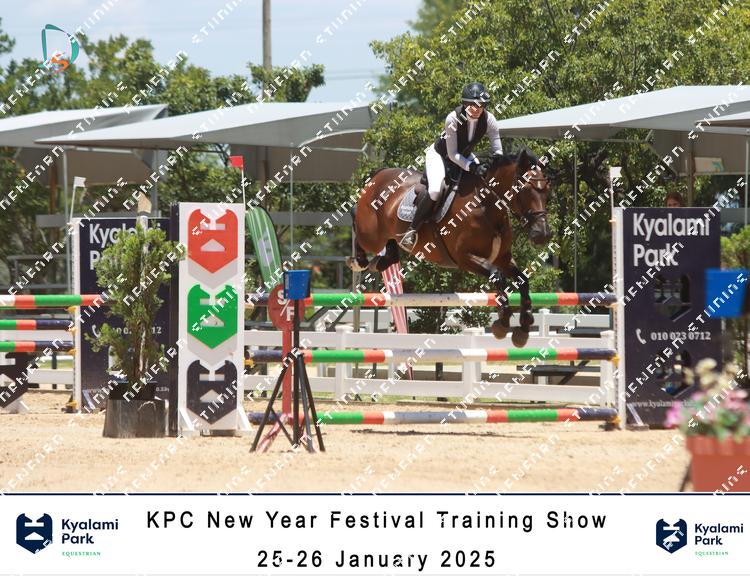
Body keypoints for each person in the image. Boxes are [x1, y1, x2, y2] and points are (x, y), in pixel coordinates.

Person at [399, 81, 504, 248]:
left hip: (464, 155)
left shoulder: (489, 119)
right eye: (472, 105)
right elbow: (452, 154)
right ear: (464, 104)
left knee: (486, 182)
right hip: (440, 155)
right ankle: (411, 231)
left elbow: (497, 149)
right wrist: (473, 167)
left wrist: (495, 163)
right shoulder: (453, 118)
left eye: (481, 105)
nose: (476, 109)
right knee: (435, 190)